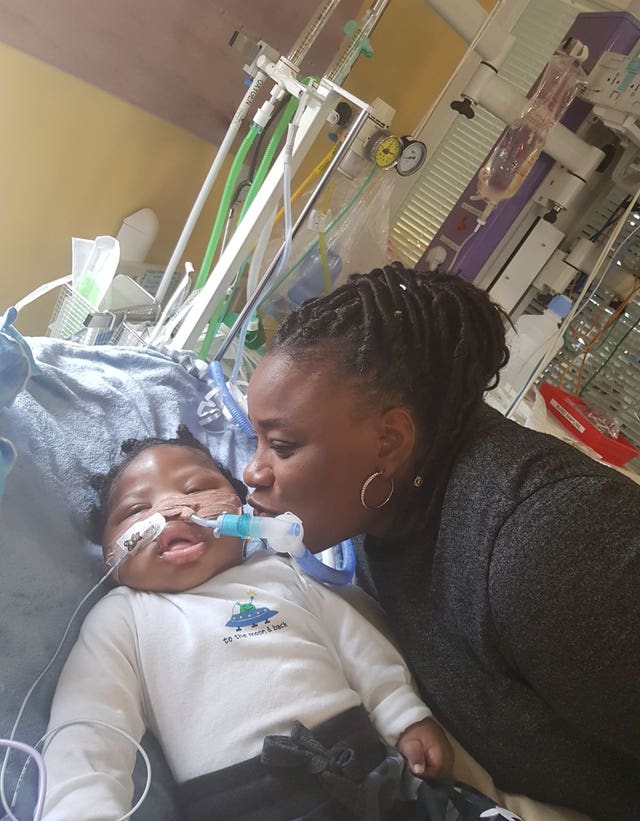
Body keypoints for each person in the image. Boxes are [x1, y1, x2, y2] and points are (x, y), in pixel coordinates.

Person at [243, 261, 640, 821]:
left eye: (280, 446)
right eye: (254, 438)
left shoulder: (548, 541)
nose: (251, 471)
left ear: (390, 440)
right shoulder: (383, 510)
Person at [42, 425, 455, 821]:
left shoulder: (281, 573)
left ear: (243, 514)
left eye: (197, 489)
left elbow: (359, 647)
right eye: (136, 510)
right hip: (244, 804)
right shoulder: (123, 617)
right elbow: (89, 729)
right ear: (110, 558)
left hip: (369, 767)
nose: (172, 510)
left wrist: (403, 715)